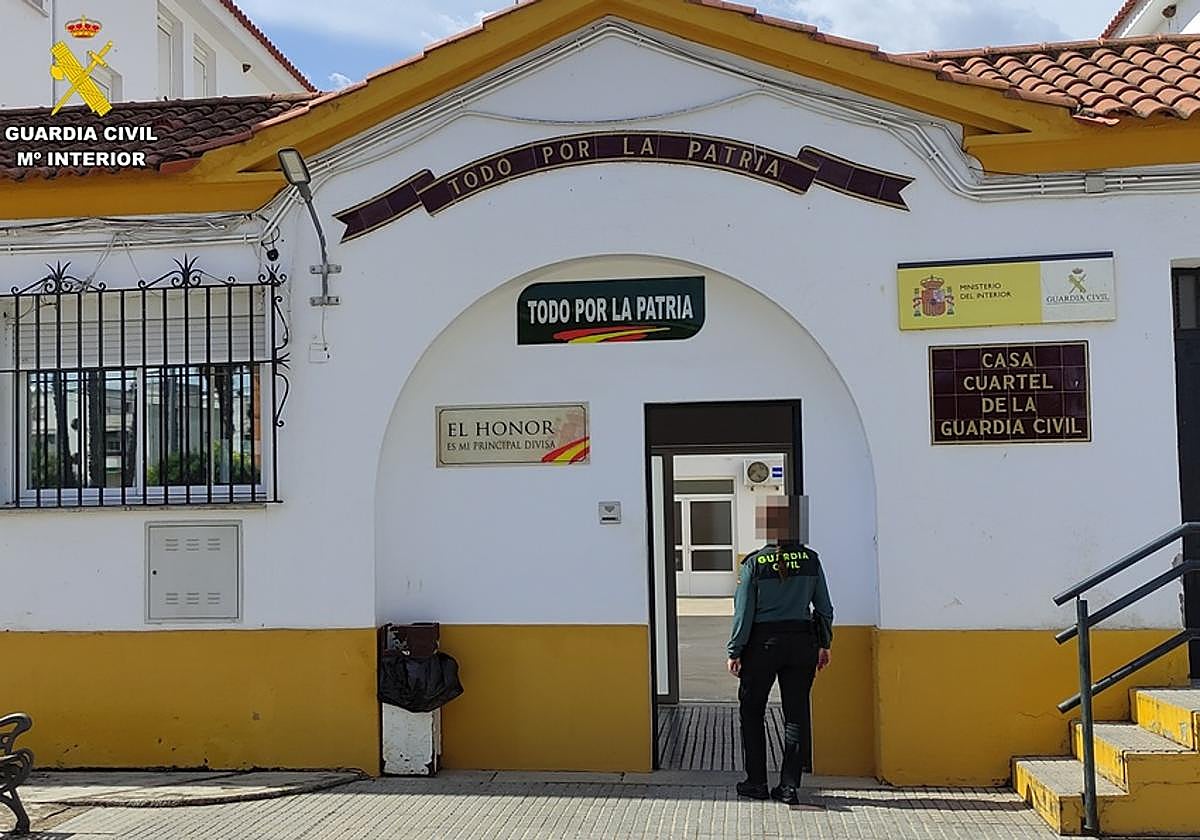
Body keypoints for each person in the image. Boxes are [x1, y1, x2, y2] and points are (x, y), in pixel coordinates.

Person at [727, 494, 833, 806]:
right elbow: (824, 608)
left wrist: (735, 650)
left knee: (752, 711)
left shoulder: (754, 563)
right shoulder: (812, 560)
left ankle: (756, 782)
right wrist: (824, 643)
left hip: (762, 645)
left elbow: (743, 612)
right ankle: (789, 787)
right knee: (796, 713)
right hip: (802, 645)